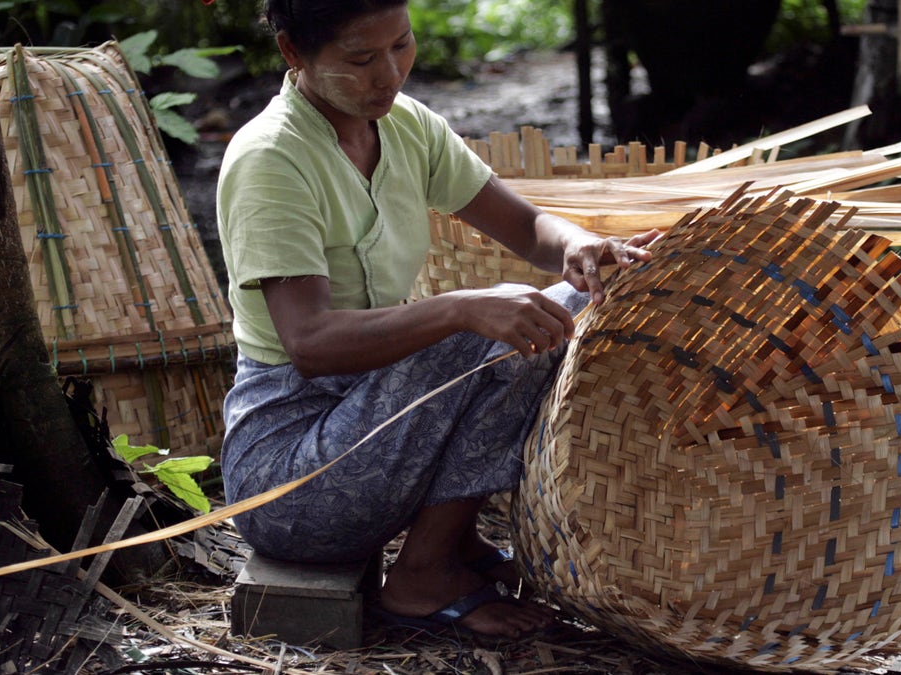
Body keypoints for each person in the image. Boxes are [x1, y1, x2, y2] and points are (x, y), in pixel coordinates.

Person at [216, 0, 658, 639]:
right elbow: (309, 344)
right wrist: (459, 308)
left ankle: (449, 546)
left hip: (373, 434)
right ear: (293, 53)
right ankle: (423, 575)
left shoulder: (405, 128)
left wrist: (578, 247)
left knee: (564, 308)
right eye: (362, 59)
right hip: (294, 485)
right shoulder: (270, 159)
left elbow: (527, 227)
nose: (389, 75)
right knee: (498, 320)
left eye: (401, 45)